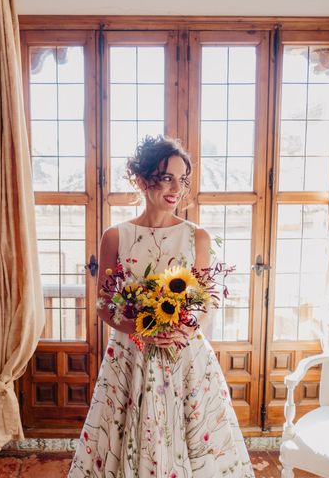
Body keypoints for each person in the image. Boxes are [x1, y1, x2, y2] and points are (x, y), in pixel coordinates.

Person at [68, 136, 254, 478]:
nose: (176, 189)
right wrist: (139, 328)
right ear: (141, 180)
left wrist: (187, 327)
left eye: (182, 180)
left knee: (192, 442)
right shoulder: (115, 236)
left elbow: (206, 300)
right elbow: (103, 304)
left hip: (184, 357)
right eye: (167, 177)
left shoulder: (197, 236)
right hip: (130, 355)